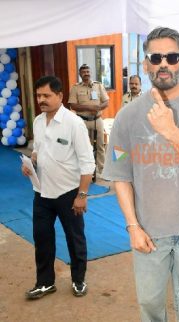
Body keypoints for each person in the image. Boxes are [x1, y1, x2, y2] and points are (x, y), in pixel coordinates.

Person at [102, 27, 179, 321]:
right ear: (146, 64)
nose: (163, 64)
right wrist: (133, 226)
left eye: (171, 56)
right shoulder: (127, 116)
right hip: (148, 230)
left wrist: (169, 129)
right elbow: (120, 175)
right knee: (150, 306)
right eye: (155, 57)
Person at [22, 76, 95, 299]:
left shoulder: (74, 123)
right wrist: (31, 163)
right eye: (38, 95)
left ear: (60, 96)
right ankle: (45, 283)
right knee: (42, 238)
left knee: (75, 238)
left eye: (46, 95)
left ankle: (79, 280)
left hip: (69, 193)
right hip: (41, 193)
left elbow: (87, 162)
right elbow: (38, 150)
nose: (41, 100)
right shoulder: (38, 121)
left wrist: (82, 195)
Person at [68, 64, 109, 176]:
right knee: (85, 147)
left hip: (97, 120)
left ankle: (102, 170)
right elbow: (73, 105)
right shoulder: (76, 88)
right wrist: (88, 107)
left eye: (88, 71)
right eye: (84, 72)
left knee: (100, 145)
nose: (86, 73)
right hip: (83, 121)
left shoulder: (98, 86)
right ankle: (87, 171)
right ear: (80, 74)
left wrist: (99, 108)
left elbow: (106, 102)